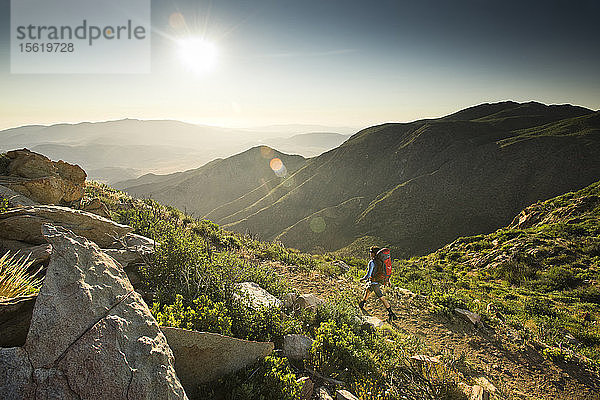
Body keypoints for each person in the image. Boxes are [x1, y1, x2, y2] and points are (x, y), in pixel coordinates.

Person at [359, 246, 397, 320]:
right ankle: (362, 303)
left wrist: (362, 279)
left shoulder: (372, 262)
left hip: (374, 283)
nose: (370, 254)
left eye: (371, 252)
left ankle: (391, 313)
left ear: (374, 253)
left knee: (382, 298)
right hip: (378, 281)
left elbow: (368, 275)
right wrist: (388, 280)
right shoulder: (381, 261)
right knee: (368, 290)